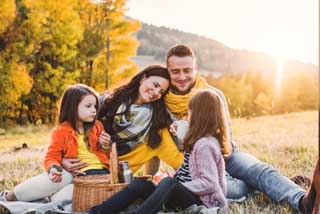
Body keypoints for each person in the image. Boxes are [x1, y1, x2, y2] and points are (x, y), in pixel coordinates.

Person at [159, 44, 319, 213]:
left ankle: (303, 201)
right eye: (175, 71)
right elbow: (157, 145)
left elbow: (224, 138)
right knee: (238, 190)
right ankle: (267, 185)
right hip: (197, 168)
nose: (182, 76)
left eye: (187, 70)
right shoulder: (162, 105)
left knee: (259, 170)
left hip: (226, 154)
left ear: (195, 69)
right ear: (167, 71)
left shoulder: (213, 95)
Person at [89, 90, 229, 214]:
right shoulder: (197, 140)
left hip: (202, 201)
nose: (187, 117)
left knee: (168, 183)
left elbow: (210, 183)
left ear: (200, 116)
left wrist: (172, 185)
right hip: (183, 194)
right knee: (141, 184)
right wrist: (168, 182)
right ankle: (97, 211)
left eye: (189, 113)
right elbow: (187, 172)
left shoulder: (205, 145)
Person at [62, 65, 184, 173]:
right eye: (155, 85)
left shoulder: (158, 114)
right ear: (143, 78)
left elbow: (178, 135)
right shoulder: (107, 101)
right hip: (88, 159)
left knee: (159, 136)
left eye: (161, 92)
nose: (156, 92)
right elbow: (68, 127)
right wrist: (62, 159)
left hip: (120, 167)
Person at [0, 84, 110, 202]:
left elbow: (106, 155)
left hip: (98, 175)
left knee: (61, 200)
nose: (93, 110)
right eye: (88, 106)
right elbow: (52, 156)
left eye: (95, 106)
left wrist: (106, 145)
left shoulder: (97, 126)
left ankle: (47, 199)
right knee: (53, 179)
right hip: (72, 174)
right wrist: (54, 168)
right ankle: (10, 196)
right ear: (72, 107)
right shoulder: (60, 131)